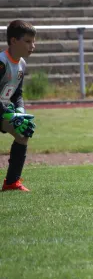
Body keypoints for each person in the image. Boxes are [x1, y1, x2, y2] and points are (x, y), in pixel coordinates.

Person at [1, 20, 37, 192]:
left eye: (33, 41)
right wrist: (8, 113)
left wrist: (20, 112)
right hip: (2, 111)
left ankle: (11, 183)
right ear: (14, 41)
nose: (33, 46)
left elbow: (17, 94)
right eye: (28, 41)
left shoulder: (21, 63)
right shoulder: (1, 62)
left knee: (23, 133)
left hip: (3, 111)